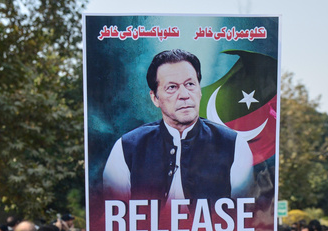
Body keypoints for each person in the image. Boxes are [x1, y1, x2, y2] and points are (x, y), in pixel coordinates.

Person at [103, 49, 253, 203]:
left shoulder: (234, 145)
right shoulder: (126, 148)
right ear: (155, 98)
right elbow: (114, 216)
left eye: (190, 84)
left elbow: (244, 216)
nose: (184, 94)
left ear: (200, 91)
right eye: (172, 87)